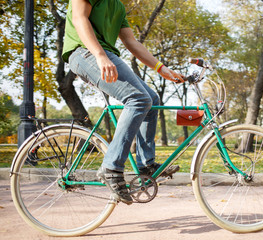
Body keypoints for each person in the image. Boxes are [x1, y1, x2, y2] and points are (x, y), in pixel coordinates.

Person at [62, 0, 184, 205]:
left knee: (151, 100)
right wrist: (100, 55)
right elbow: (79, 18)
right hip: (84, 51)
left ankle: (145, 165)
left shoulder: (117, 6)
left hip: (105, 54)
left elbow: (131, 42)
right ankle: (111, 167)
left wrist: (161, 68)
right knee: (138, 99)